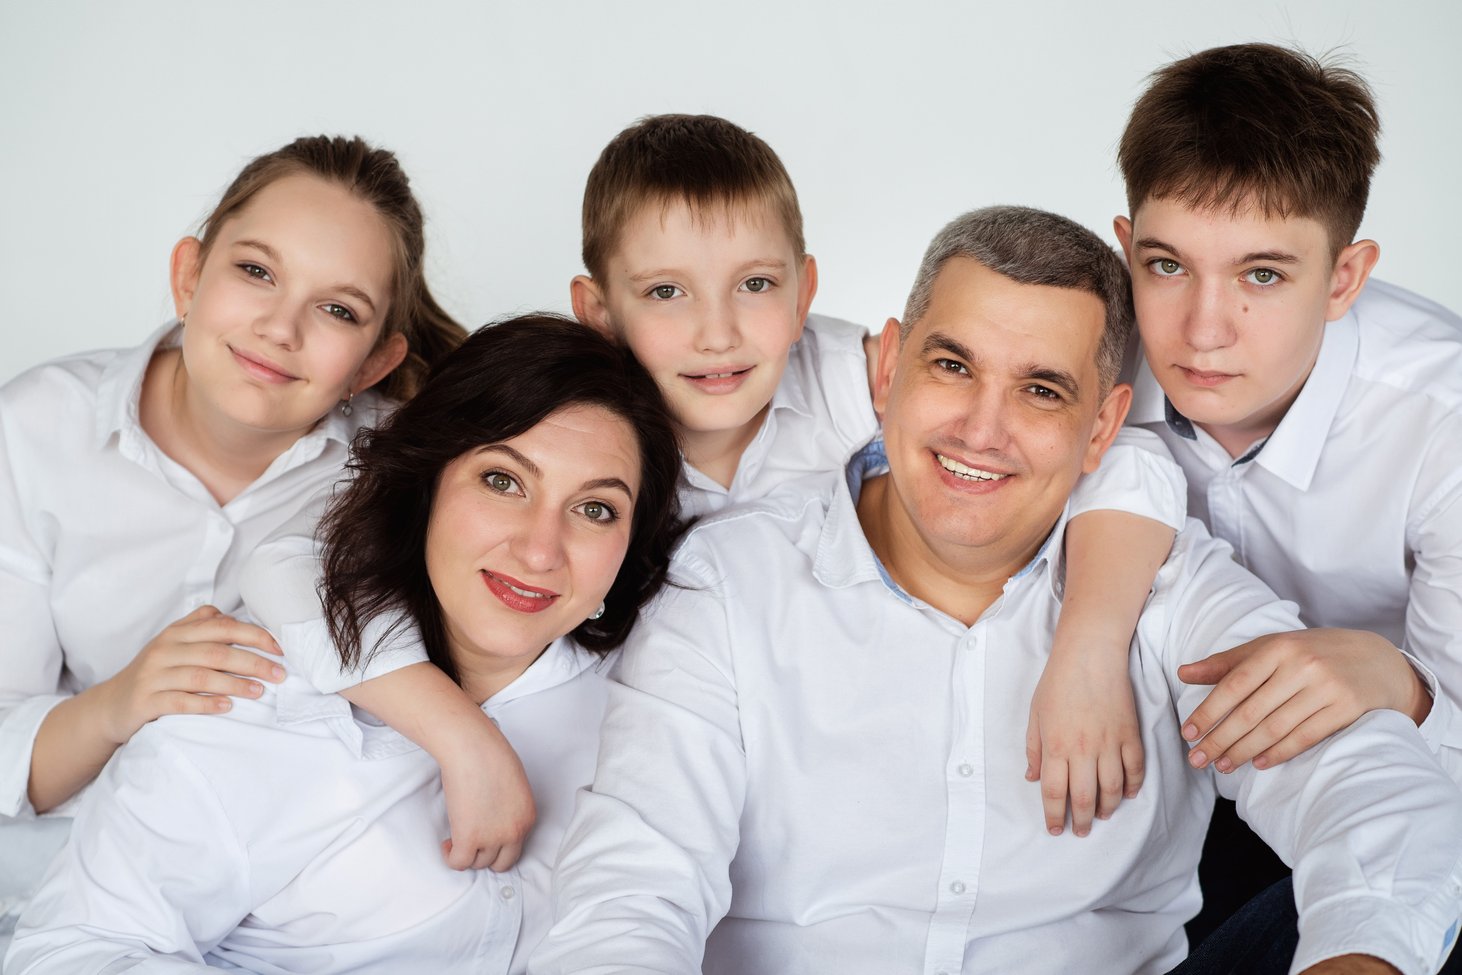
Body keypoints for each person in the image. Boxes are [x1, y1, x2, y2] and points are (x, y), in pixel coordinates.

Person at [530, 207, 1462, 975]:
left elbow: (1371, 788)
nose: (983, 429)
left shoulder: (1163, 584)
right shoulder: (728, 582)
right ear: (888, 368)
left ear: (1103, 430)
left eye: (1042, 390)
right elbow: (631, 888)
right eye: (953, 365)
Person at [261, 116, 1192, 866]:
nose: (717, 334)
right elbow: (293, 556)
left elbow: (1123, 456)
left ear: (803, 292)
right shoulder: (563, 417)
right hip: (641, 755)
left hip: (838, 752)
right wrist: (459, 734)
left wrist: (1088, 642)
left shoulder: (855, 381)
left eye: (754, 284)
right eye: (666, 293)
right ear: (598, 311)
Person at [5, 315, 685, 974]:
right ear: (426, 487)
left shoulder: (661, 707)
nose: (540, 551)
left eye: (595, 509)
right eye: (502, 481)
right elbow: (68, 952)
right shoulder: (246, 709)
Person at [0, 135, 465, 936]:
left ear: (373, 363)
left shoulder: (399, 470)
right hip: (44, 888)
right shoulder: (36, 428)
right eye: (256, 271)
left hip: (279, 909)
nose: (280, 328)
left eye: (338, 310)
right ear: (189, 275)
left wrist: (469, 745)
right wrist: (121, 703)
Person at [1099, 43, 1462, 942]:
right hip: (1156, 791)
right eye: (1167, 265)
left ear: (1344, 278)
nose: (1203, 330)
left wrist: (1405, 686)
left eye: (1261, 274)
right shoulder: (1083, 361)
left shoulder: (1443, 421)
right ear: (1126, 249)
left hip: (1392, 780)